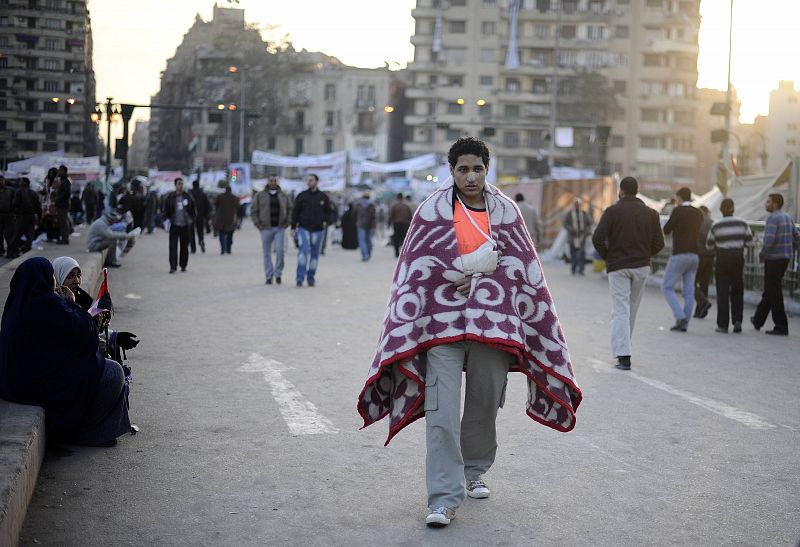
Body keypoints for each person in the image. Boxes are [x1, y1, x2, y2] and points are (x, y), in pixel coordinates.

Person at [357, 137, 581, 527]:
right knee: (441, 409)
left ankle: (474, 468)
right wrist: (457, 276)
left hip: (492, 325)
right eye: (463, 169)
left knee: (483, 401)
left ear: (487, 169)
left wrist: (478, 281)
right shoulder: (431, 211)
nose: (471, 176)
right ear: (452, 171)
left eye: (477, 168)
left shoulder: (506, 212)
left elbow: (521, 268)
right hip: (440, 326)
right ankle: (443, 497)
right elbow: (416, 267)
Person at [0, 258, 131, 447]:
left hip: (18, 381)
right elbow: (84, 332)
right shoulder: (46, 304)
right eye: (55, 276)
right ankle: (82, 433)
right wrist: (72, 303)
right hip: (35, 383)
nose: (75, 280)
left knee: (100, 366)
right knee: (112, 373)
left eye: (78, 275)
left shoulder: (18, 303)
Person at [591, 176, 664, 370]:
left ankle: (624, 355)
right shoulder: (651, 214)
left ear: (621, 191)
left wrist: (609, 257)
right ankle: (625, 348)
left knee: (620, 310)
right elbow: (660, 244)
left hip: (618, 267)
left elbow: (597, 238)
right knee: (631, 309)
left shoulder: (612, 212)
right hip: (642, 267)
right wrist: (645, 255)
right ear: (637, 191)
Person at [751, 193, 800, 335]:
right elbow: (797, 237)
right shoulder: (788, 218)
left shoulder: (772, 218)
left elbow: (769, 241)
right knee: (771, 290)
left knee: (774, 292)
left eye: (768, 202)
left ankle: (781, 325)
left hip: (773, 259)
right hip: (785, 258)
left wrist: (762, 255)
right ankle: (758, 320)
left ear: (775, 204)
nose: (766, 204)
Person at [705, 198, 753, 333]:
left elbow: (709, 245)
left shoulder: (716, 225)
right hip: (738, 258)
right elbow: (750, 243)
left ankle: (723, 325)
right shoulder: (742, 223)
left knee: (722, 292)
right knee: (738, 290)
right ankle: (737, 321)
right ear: (733, 209)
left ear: (721, 210)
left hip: (722, 259)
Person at [661, 187, 703, 332]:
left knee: (666, 287)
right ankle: (685, 323)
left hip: (679, 254)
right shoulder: (698, 213)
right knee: (689, 292)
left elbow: (666, 230)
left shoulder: (677, 211)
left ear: (679, 198)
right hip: (694, 256)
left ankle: (680, 317)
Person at [291, 174, 332, 287]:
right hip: (304, 228)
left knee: (315, 255)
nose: (309, 182)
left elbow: (330, 212)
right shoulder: (302, 196)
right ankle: (300, 277)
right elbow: (295, 212)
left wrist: (326, 222)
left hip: (318, 230)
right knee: (303, 252)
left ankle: (311, 277)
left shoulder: (323, 197)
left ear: (316, 182)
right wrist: (293, 227)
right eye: (307, 180)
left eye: (311, 180)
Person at [251, 174, 290, 284]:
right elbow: (253, 211)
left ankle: (278, 274)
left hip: (279, 227)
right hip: (265, 228)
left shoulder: (283, 195)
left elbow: (290, 209)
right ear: (267, 182)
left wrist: (287, 222)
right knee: (266, 253)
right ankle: (269, 276)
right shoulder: (260, 195)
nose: (273, 182)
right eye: (271, 180)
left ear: (278, 182)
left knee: (280, 251)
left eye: (275, 180)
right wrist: (258, 224)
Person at [163, 178, 196, 273]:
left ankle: (183, 265)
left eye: (182, 184)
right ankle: (173, 267)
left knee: (184, 247)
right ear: (175, 185)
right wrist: (165, 219)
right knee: (173, 247)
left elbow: (193, 210)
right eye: (179, 184)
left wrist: (191, 220)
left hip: (185, 226)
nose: (181, 186)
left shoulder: (188, 196)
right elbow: (166, 210)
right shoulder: (170, 197)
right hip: (174, 225)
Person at [693, 205, 714, 319]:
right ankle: (701, 312)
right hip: (710, 256)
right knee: (704, 284)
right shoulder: (712, 222)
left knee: (691, 282)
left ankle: (703, 303)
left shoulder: (699, 221)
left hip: (699, 254)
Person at [11, 177, 41, 257]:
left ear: (24, 183)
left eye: (21, 182)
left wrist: (15, 214)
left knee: (17, 235)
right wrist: (39, 217)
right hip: (31, 217)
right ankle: (26, 252)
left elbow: (14, 204)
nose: (19, 183)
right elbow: (38, 206)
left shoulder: (19, 191)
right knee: (30, 236)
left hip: (21, 217)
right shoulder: (34, 193)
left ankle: (14, 252)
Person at [563, 198, 592, 275]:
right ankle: (573, 268)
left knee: (581, 253)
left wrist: (586, 231)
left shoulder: (584, 213)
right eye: (576, 204)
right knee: (573, 253)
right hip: (573, 236)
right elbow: (565, 224)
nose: (577, 206)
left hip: (582, 236)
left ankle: (581, 269)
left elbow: (589, 224)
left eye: (579, 204)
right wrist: (571, 229)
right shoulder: (569, 214)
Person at [387, 193, 413, 258]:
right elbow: (410, 216)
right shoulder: (407, 206)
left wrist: (389, 224)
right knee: (405, 239)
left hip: (397, 224)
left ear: (397, 198)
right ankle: (405, 253)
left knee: (396, 239)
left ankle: (397, 253)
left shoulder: (395, 206)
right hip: (405, 224)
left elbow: (391, 216)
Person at [214, 186, 239, 255]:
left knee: (221, 235)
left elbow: (215, 204)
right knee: (230, 235)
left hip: (221, 219)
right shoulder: (234, 198)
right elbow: (238, 207)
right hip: (231, 219)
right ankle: (228, 249)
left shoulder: (220, 197)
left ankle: (223, 248)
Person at [189, 180, 211, 253]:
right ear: (198, 185)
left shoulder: (189, 194)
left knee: (191, 232)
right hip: (200, 216)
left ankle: (193, 248)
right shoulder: (202, 194)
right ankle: (201, 240)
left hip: (191, 216)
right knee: (200, 230)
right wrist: (206, 215)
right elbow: (207, 205)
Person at [354, 192, 377, 261]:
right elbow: (374, 216)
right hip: (370, 225)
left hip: (360, 224)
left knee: (362, 240)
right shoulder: (372, 205)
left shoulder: (358, 204)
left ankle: (365, 255)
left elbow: (354, 214)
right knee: (369, 240)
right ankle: (369, 254)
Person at [55, 164, 72, 244]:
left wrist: (58, 199)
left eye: (60, 170)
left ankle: (65, 239)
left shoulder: (66, 181)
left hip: (62, 205)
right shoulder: (62, 180)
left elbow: (67, 193)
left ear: (64, 171)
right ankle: (64, 238)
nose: (59, 172)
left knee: (63, 222)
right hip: (61, 204)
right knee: (62, 222)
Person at [0, 176, 16, 258]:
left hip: (9, 215)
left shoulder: (10, 190)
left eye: (2, 180)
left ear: (4, 181)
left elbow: (15, 202)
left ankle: (10, 252)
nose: (1, 182)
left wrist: (13, 212)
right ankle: (1, 250)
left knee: (9, 235)